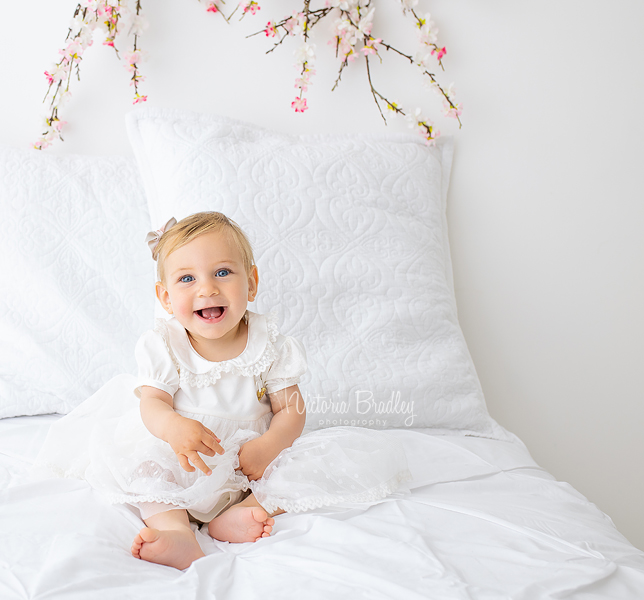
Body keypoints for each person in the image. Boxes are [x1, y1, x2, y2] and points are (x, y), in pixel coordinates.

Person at [33, 211, 411, 570]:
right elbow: (153, 402)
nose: (207, 289)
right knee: (145, 467)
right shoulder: (165, 343)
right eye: (187, 279)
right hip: (184, 456)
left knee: (299, 470)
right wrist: (172, 428)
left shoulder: (271, 343)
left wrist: (269, 447)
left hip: (248, 459)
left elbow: (292, 409)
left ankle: (237, 514)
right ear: (164, 297)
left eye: (222, 272)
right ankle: (175, 531)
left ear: (251, 283)